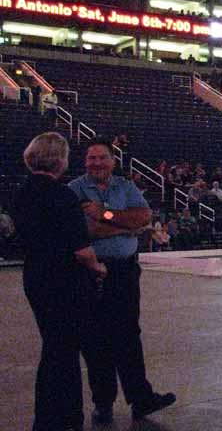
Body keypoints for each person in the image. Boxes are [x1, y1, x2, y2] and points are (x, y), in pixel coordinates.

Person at [68, 139, 175, 425]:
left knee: (128, 334)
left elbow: (142, 216)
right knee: (95, 340)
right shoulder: (74, 189)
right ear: (85, 161)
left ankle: (141, 399)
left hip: (125, 272)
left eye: (102, 157)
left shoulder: (125, 186)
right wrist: (124, 227)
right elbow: (82, 231)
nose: (97, 163)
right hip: (89, 274)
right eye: (92, 158)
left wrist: (105, 215)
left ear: (113, 161)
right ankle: (103, 403)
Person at [11, 132, 107, 431]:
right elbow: (81, 249)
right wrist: (98, 267)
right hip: (64, 281)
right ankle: (66, 419)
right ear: (59, 159)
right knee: (63, 353)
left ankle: (48, 419)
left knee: (54, 349)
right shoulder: (62, 195)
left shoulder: (21, 192)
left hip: (36, 276)